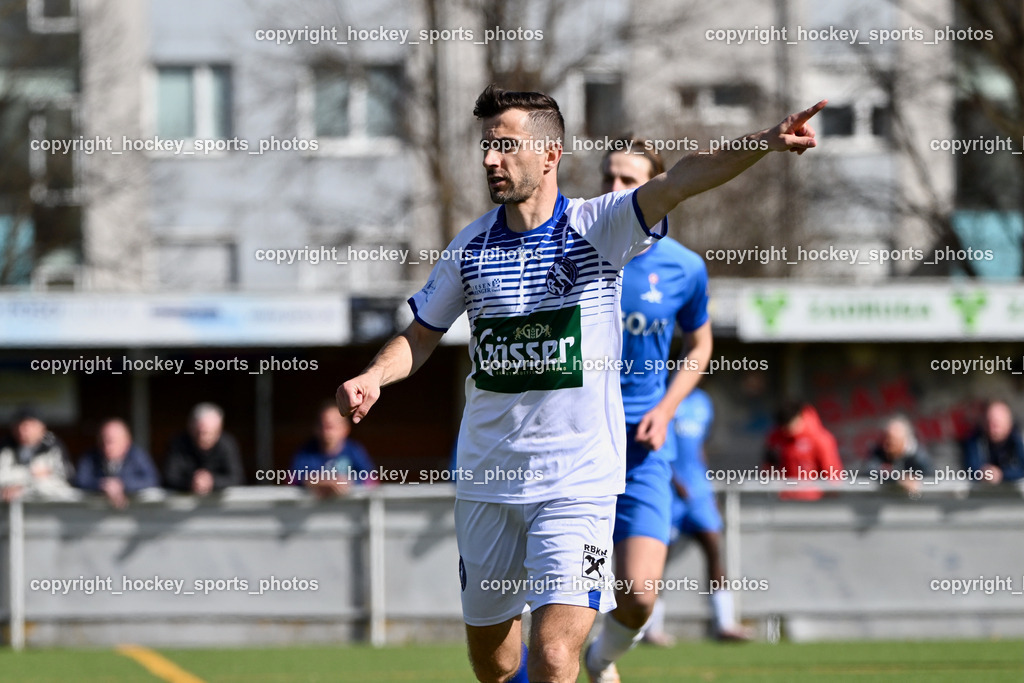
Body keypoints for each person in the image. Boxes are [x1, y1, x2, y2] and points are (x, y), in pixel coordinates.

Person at [336, 85, 825, 683]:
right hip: (488, 478)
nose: (490, 160)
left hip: (577, 480)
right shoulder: (469, 248)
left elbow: (686, 177)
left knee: (555, 656)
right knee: (495, 665)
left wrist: (766, 143)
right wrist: (373, 376)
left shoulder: (601, 225)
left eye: (506, 146)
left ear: (549, 154)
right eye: (487, 147)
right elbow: (420, 335)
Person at [584, 138, 719, 679]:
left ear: (658, 187)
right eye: (608, 178)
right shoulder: (580, 249)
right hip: (580, 445)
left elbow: (700, 345)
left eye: (629, 180)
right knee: (564, 598)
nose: (615, 190)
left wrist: (666, 409)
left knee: (639, 597)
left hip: (643, 451)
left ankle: (601, 659)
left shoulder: (685, 267)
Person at [290, 401, 376, 497]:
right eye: (322, 426)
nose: (326, 431)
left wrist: (347, 482)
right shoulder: (305, 452)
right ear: (315, 428)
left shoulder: (354, 450)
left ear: (345, 428)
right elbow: (292, 480)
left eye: (331, 426)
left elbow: (371, 480)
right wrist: (316, 481)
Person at [763, 400, 844, 501]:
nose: (787, 431)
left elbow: (831, 471)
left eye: (790, 425)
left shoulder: (819, 438)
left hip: (813, 500)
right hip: (785, 499)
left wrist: (831, 497)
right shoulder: (776, 438)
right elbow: (769, 467)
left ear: (799, 417)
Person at [76, 418, 161, 508]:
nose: (106, 446)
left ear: (126, 441)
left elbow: (152, 479)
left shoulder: (138, 456)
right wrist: (103, 485)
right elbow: (81, 480)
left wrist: (123, 485)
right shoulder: (90, 457)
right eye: (103, 440)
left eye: (111, 441)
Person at [163, 402, 245, 494]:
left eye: (210, 433)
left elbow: (237, 478)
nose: (204, 437)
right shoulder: (178, 444)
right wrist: (191, 482)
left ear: (219, 430)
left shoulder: (227, 445)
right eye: (199, 432)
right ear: (191, 428)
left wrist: (212, 482)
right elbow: (169, 477)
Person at [0, 406, 74, 501]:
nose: (22, 431)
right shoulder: (5, 446)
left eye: (28, 426)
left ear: (42, 427)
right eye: (18, 426)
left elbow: (65, 482)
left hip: (46, 509)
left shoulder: (53, 446)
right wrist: (29, 473)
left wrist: (24, 489)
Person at [864, 415, 934, 495]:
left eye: (892, 440)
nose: (887, 444)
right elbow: (870, 470)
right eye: (885, 438)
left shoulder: (919, 456)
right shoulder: (878, 451)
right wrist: (899, 478)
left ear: (904, 440)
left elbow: (930, 475)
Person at [962, 400, 1024, 484]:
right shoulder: (976, 439)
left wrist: (1001, 475)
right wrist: (984, 473)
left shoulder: (1019, 438)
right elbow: (970, 467)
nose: (992, 428)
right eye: (988, 423)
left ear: (1009, 423)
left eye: (996, 424)